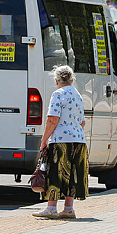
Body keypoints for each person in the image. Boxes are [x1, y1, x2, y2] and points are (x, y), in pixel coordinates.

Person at [33, 65, 89, 219]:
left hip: (61, 140)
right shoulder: (78, 95)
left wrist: (44, 141)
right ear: (71, 79)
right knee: (72, 174)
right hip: (79, 140)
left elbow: (52, 120)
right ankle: (69, 208)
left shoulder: (58, 94)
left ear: (56, 80)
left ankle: (51, 208)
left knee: (55, 173)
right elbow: (82, 122)